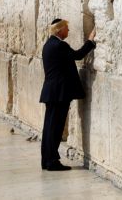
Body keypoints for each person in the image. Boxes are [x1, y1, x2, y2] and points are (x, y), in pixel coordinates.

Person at [39, 18, 96, 171]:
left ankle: (47, 160)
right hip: (59, 94)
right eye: (66, 28)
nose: (68, 31)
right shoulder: (59, 45)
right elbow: (78, 55)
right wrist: (90, 41)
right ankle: (52, 162)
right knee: (55, 128)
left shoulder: (48, 45)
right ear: (59, 30)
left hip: (51, 92)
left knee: (49, 127)